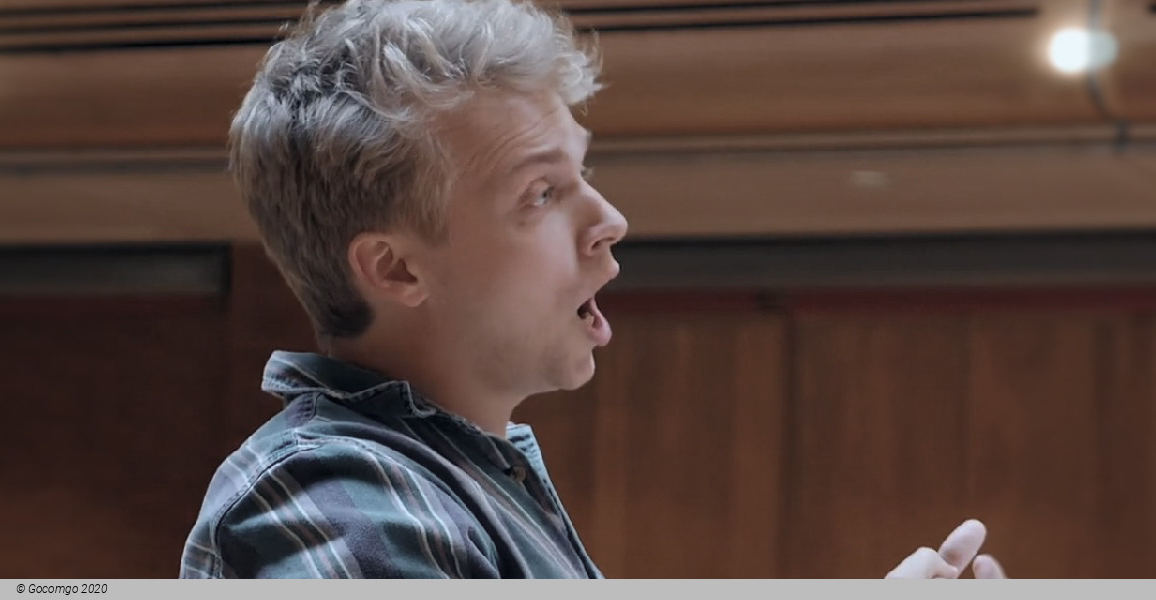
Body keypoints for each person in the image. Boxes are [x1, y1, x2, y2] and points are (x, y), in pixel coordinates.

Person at [178, 0, 1008, 579]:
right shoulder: (330, 493)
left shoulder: (465, 475)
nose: (610, 220)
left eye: (585, 173)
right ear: (396, 269)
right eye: (541, 193)